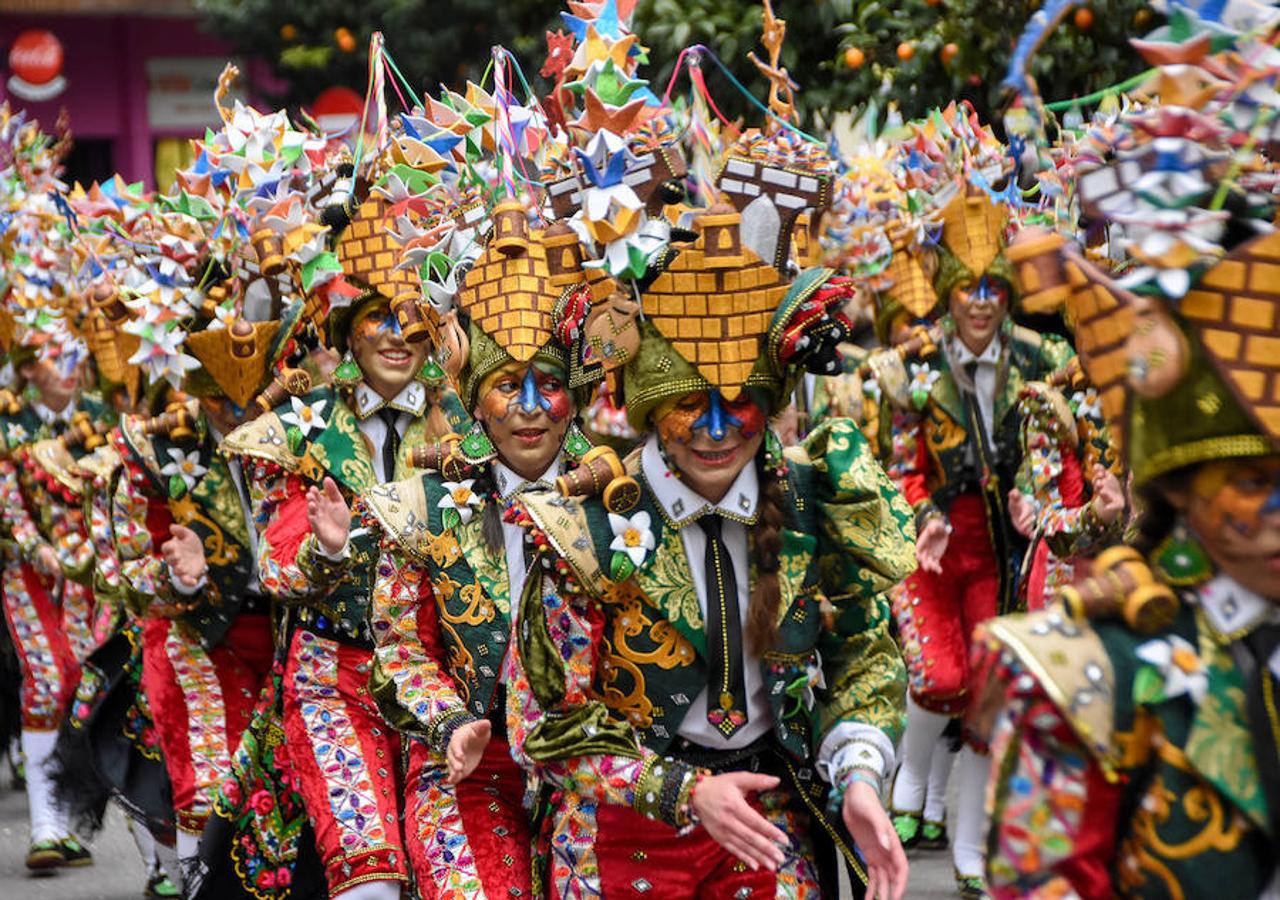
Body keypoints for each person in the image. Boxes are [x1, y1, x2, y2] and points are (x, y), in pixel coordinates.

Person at [505, 186, 916, 899]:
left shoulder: (814, 498)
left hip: (768, 814)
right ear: (652, 408)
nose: (718, 429)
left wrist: (859, 779)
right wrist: (682, 791)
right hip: (621, 817)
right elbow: (541, 718)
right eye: (692, 403)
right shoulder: (586, 526)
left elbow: (863, 657)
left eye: (740, 401)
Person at [363, 196, 609, 898]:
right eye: (507, 385)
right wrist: (450, 722)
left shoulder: (623, 505)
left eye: (550, 384)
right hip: (469, 763)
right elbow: (399, 648)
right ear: (474, 398)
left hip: (598, 769)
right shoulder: (422, 509)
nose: (530, 406)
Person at [223, 181, 463, 900]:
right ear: (345, 329)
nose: (396, 335)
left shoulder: (472, 426)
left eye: (411, 318)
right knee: (368, 871)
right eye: (376, 317)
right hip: (333, 677)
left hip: (447, 685)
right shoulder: (299, 428)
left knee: (450, 872)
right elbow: (274, 564)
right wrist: (327, 551)